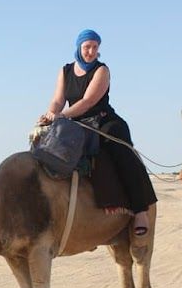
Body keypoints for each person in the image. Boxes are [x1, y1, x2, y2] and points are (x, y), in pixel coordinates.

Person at [39, 29, 157, 235]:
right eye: (87, 47)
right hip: (74, 123)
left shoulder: (101, 71)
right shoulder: (65, 71)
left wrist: (62, 116)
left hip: (103, 121)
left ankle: (140, 211)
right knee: (42, 145)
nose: (91, 51)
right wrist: (50, 114)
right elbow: (58, 100)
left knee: (122, 154)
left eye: (95, 47)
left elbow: (88, 101)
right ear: (79, 47)